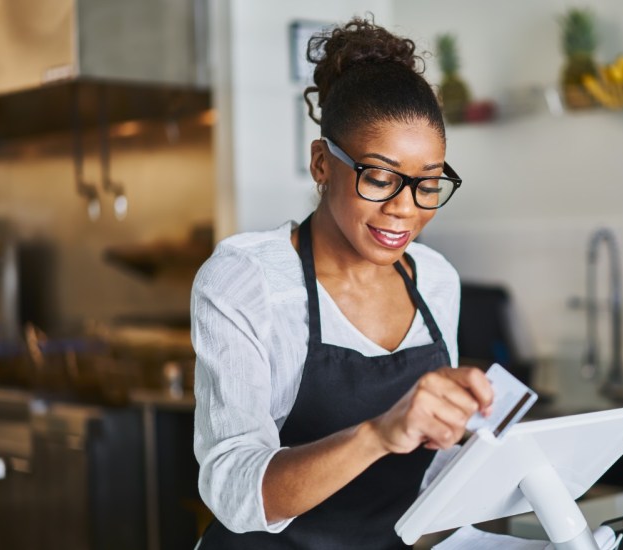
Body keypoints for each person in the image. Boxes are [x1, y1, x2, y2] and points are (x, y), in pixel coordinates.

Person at [191, 16, 494, 549]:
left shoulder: (437, 281)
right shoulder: (247, 279)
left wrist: (472, 441)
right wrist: (378, 434)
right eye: (379, 177)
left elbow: (422, 489)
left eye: (427, 184)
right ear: (321, 163)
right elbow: (234, 492)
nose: (404, 209)